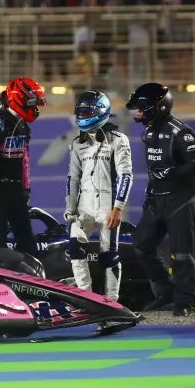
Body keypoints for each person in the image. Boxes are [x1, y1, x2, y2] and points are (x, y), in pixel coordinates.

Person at [125, 82, 195, 317]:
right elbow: (155, 170)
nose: (137, 113)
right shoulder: (149, 132)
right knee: (141, 245)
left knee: (182, 253)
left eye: (141, 108)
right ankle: (165, 292)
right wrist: (150, 195)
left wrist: (174, 173)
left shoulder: (181, 132)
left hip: (181, 200)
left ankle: (183, 303)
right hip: (157, 200)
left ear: (158, 107)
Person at [64, 91, 133, 303]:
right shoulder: (77, 144)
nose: (83, 115)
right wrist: (69, 208)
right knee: (75, 248)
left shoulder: (119, 140)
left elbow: (126, 176)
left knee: (108, 256)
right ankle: (85, 299)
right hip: (83, 208)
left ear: (101, 111)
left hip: (108, 208)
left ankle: (111, 303)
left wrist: (118, 208)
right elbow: (72, 179)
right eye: (81, 112)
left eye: (87, 112)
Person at [0, 77, 46, 254]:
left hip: (17, 193)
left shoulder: (22, 126)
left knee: (28, 246)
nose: (35, 109)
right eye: (33, 104)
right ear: (20, 99)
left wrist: (26, 190)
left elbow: (25, 161)